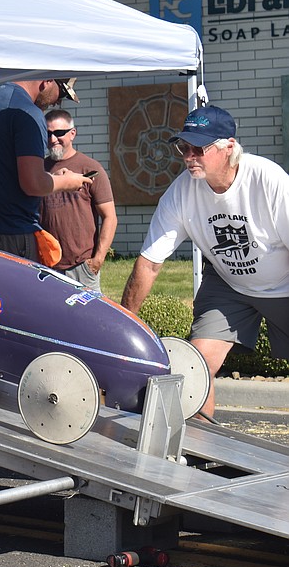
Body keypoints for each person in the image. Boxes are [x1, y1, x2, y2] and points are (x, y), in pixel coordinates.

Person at [121, 105, 289, 424]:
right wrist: (124, 322)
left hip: (284, 281)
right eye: (184, 147)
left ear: (229, 147)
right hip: (229, 285)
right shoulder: (181, 193)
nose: (188, 157)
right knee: (194, 367)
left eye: (199, 148)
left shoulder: (268, 180)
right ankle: (201, 453)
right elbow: (149, 263)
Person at [0, 79, 90, 260]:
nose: (57, 102)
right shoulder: (28, 112)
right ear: (47, 80)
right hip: (12, 235)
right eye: (61, 93)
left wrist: (50, 177)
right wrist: (67, 182)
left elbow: (6, 171)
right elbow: (32, 184)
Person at [40, 109, 118, 291]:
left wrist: (97, 260)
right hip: (46, 266)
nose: (53, 139)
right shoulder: (38, 170)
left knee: (86, 317)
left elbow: (110, 217)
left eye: (59, 133)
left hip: (81, 267)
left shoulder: (90, 168)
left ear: (72, 133)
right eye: (48, 133)